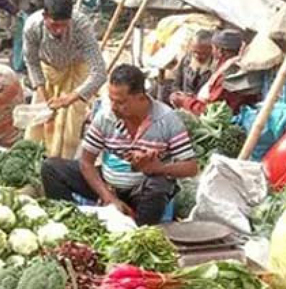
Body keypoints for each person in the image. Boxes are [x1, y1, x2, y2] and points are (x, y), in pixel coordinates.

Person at [42, 65, 198, 225]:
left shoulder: (167, 120)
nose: (114, 107)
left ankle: (139, 232)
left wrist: (157, 168)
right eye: (111, 100)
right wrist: (108, 198)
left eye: (121, 102)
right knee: (51, 168)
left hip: (142, 190)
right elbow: (86, 163)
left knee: (159, 185)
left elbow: (191, 167)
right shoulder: (106, 117)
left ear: (140, 97)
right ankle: (70, 223)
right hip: (108, 185)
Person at [22, 0, 106, 159]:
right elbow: (31, 61)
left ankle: (61, 164)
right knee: (38, 123)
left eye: (64, 25)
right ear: (45, 16)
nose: (59, 30)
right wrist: (42, 92)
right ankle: (34, 161)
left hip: (76, 68)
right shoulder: (32, 26)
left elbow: (99, 72)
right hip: (48, 70)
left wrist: (70, 98)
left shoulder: (81, 26)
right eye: (54, 25)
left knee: (70, 124)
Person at [170, 29, 259, 115]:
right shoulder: (224, 65)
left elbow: (209, 111)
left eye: (213, 48)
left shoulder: (229, 74)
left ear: (220, 51)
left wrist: (184, 101)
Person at [168, 29, 215, 103]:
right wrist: (177, 94)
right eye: (194, 52)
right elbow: (176, 82)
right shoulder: (187, 59)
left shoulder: (215, 66)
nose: (197, 56)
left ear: (211, 49)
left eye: (202, 53)